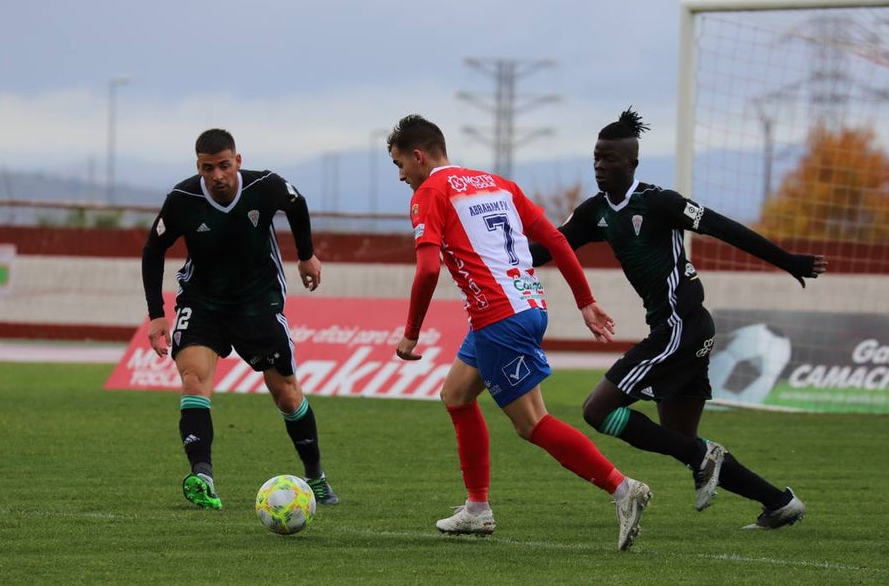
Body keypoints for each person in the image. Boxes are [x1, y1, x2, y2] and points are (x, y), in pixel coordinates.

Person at [530, 108, 827, 530]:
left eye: (610, 158)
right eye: (596, 157)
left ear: (632, 163)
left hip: (680, 327)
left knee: (597, 410)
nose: (600, 165)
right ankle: (779, 502)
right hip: (683, 330)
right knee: (684, 441)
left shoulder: (660, 202)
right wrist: (485, 254)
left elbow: (725, 228)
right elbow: (547, 250)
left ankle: (705, 458)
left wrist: (787, 261)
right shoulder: (594, 212)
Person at [387, 114, 653, 551]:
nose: (401, 176)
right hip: (525, 305)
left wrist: (411, 332)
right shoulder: (498, 184)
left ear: (418, 156)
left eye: (400, 165)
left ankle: (622, 489)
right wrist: (584, 300)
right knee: (456, 395)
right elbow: (558, 240)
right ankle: (477, 508)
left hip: (498, 316)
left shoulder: (430, 192)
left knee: (532, 423)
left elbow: (429, 268)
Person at [141, 128, 338, 510]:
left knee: (286, 394)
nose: (217, 175)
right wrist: (156, 314)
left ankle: (315, 477)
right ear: (198, 167)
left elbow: (296, 204)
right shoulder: (182, 199)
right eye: (208, 168)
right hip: (203, 302)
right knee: (194, 378)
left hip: (257, 302)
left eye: (224, 166)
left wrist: (306, 255)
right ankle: (202, 476)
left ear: (238, 162)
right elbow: (153, 250)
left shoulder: (264, 186)